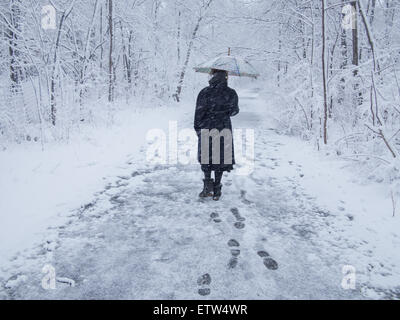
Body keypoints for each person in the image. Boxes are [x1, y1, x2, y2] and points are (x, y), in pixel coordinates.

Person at [194, 69, 239, 200]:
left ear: (212, 75)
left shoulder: (204, 92)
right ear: (225, 77)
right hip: (223, 127)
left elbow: (198, 113)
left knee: (206, 158)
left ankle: (207, 188)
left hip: (207, 127)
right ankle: (217, 189)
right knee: (220, 158)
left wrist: (198, 129)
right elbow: (234, 111)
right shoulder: (231, 93)